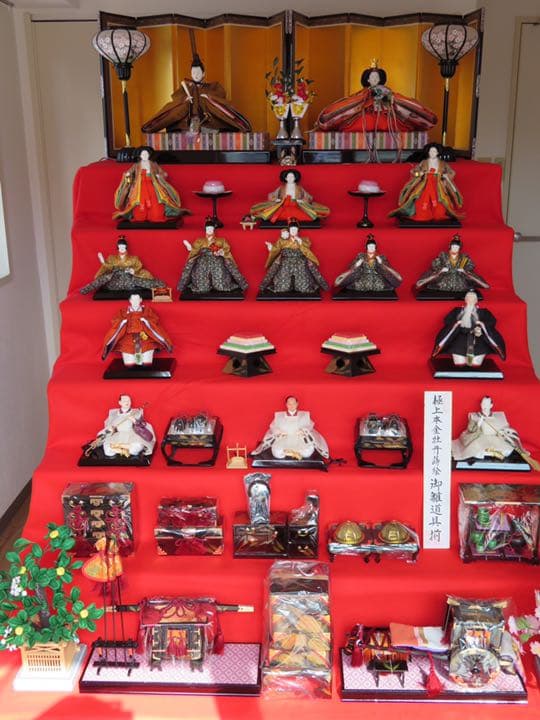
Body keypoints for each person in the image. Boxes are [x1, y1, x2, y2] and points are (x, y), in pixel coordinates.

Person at [141, 53, 252, 134]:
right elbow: (176, 97)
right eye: (193, 72)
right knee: (179, 106)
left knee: (210, 104)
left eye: (198, 72)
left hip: (207, 121)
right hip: (187, 120)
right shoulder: (186, 86)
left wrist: (209, 98)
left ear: (203, 74)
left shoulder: (213, 86)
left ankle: (242, 124)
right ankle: (151, 126)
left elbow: (221, 95)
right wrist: (185, 99)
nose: (196, 75)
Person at [315, 64, 437, 134]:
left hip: (385, 114)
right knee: (364, 121)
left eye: (377, 77)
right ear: (367, 79)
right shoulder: (363, 93)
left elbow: (392, 103)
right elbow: (355, 102)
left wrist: (386, 98)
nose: (374, 79)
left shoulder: (386, 90)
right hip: (365, 113)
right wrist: (366, 98)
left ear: (380, 79)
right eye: (372, 77)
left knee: (390, 123)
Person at [390, 143, 464, 222]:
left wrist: (445, 175)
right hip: (425, 184)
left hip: (438, 185)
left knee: (440, 203)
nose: (432, 153)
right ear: (428, 152)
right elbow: (414, 172)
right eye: (430, 151)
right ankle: (422, 214)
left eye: (434, 151)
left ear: (438, 152)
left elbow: (452, 172)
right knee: (420, 201)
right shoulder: (423, 162)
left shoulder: (443, 163)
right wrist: (420, 174)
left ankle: (438, 214)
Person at [113, 146, 189, 223]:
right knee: (139, 206)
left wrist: (160, 176)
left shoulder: (153, 164)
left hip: (152, 185)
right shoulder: (136, 165)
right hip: (139, 187)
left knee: (155, 202)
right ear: (140, 156)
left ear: (149, 155)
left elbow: (163, 173)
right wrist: (127, 174)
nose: (145, 156)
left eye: (146, 154)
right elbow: (129, 172)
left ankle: (155, 215)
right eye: (143, 154)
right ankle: (140, 216)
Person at [432, 291, 505, 367]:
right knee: (459, 363)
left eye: (473, 299)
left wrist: (481, 326)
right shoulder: (457, 311)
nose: (470, 300)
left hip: (478, 341)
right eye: (468, 298)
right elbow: (447, 321)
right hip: (459, 341)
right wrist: (457, 324)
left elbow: (491, 322)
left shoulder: (484, 312)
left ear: (476, 301)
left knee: (476, 364)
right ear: (465, 300)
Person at [177, 218, 248, 295]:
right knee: (202, 288)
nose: (210, 231)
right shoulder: (200, 240)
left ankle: (225, 284)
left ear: (214, 230)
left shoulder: (221, 240)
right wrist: (191, 248)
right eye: (208, 229)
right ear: (205, 230)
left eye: (211, 229)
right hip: (202, 260)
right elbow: (195, 250)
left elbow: (226, 248)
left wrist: (221, 252)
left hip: (217, 260)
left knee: (220, 286)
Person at [102, 293, 173, 367]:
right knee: (129, 365)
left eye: (137, 299)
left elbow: (154, 321)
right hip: (127, 338)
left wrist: (146, 321)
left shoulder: (147, 311)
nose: (135, 301)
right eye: (133, 299)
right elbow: (115, 322)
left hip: (145, 337)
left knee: (146, 364)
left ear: (141, 300)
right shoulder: (122, 312)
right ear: (130, 300)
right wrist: (123, 322)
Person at [260, 219, 328, 295]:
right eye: (291, 229)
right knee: (282, 288)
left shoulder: (304, 240)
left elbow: (307, 249)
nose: (293, 231)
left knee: (304, 287)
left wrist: (300, 241)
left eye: (295, 229)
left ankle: (306, 285)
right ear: (289, 230)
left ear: (298, 230)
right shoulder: (282, 240)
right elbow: (276, 249)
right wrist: (271, 247)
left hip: (300, 262)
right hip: (285, 262)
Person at [80, 236, 166, 295]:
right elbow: (109, 267)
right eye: (120, 247)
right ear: (117, 247)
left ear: (126, 247)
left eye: (123, 247)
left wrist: (132, 271)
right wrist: (103, 262)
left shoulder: (133, 258)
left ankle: (160, 289)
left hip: (128, 278)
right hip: (115, 279)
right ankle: (85, 289)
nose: (122, 248)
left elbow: (138, 266)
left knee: (141, 282)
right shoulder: (112, 258)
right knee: (105, 278)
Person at [252, 395, 329, 461]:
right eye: (289, 404)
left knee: (308, 451)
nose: (291, 405)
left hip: (299, 439)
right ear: (286, 404)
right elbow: (273, 426)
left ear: (297, 404)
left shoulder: (304, 415)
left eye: (293, 403)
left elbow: (310, 425)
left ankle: (289, 452)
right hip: (284, 439)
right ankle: (293, 453)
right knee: (276, 452)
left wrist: (303, 430)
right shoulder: (279, 416)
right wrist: (279, 432)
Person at [452, 396, 525, 463]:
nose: (484, 406)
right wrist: (478, 424)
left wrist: (503, 432)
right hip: (480, 439)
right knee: (475, 451)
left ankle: (496, 454)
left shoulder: (499, 416)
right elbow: (471, 430)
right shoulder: (475, 416)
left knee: (508, 450)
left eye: (486, 404)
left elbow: (505, 428)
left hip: (496, 439)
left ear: (491, 405)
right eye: (483, 404)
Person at [250, 169, 330, 224]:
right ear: (285, 178)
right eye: (288, 177)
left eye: (292, 177)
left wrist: (302, 200)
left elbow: (308, 197)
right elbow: (272, 195)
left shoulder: (299, 187)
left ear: (295, 178)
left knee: (308, 216)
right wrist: (276, 199)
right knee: (272, 214)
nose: (290, 178)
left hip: (296, 205)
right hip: (283, 205)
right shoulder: (282, 187)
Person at [415, 235, 489, 294]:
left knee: (472, 280)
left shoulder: (464, 257)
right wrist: (442, 269)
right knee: (432, 279)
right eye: (453, 246)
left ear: (460, 248)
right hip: (445, 277)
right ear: (450, 246)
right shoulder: (443, 255)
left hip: (459, 277)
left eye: (457, 247)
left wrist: (464, 270)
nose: (455, 248)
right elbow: (435, 264)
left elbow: (471, 265)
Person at [93, 394, 156, 458]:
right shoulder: (113, 413)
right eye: (124, 400)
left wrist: (135, 421)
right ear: (119, 402)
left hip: (132, 435)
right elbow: (109, 426)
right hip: (117, 435)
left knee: (138, 446)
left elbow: (142, 425)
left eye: (129, 400)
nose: (127, 402)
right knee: (107, 450)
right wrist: (111, 430)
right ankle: (122, 450)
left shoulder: (137, 412)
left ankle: (119, 446)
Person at [334, 234, 402, 293]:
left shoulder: (381, 257)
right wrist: (357, 265)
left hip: (377, 278)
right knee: (354, 285)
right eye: (369, 246)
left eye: (373, 246)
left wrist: (381, 263)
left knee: (383, 285)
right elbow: (352, 268)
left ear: (375, 248)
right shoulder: (361, 256)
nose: (371, 248)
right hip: (363, 277)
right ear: (366, 247)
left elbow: (387, 269)